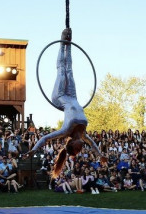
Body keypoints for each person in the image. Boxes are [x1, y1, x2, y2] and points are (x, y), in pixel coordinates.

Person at [24, 28, 106, 178]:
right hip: (73, 96)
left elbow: (45, 138)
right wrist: (100, 155)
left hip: (60, 96)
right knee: (69, 69)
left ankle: (62, 42)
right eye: (79, 150)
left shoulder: (66, 130)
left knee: (62, 70)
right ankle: (67, 43)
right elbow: (93, 145)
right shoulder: (83, 135)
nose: (81, 149)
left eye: (77, 150)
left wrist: (34, 150)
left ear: (70, 145)